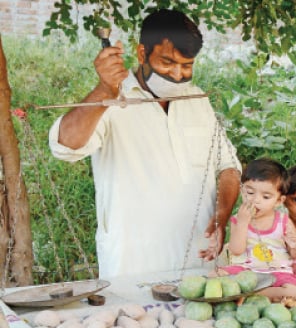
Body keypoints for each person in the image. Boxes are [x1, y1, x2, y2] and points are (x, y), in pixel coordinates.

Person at [48, 9, 241, 279]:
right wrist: (105, 91)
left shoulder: (197, 99)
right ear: (142, 54)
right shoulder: (110, 101)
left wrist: (221, 217)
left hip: (201, 261)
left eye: (187, 66)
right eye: (167, 63)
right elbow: (64, 147)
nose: (177, 75)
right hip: (133, 265)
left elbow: (228, 167)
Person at [216, 159, 296, 300]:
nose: (256, 200)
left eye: (266, 196)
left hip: (276, 271)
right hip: (244, 270)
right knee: (214, 276)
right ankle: (247, 292)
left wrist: (294, 244)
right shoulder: (238, 219)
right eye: (250, 193)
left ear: (278, 201)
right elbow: (236, 250)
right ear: (242, 191)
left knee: (295, 293)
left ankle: (248, 294)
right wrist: (243, 223)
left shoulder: (283, 221)